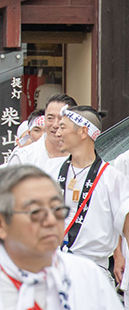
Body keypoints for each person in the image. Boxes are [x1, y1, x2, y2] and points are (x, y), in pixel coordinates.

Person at [0, 164, 121, 308]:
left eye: (57, 209)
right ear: (0, 223)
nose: (51, 220)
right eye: (36, 212)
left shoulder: (87, 277)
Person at [53, 105, 129, 273]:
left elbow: (126, 223)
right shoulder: (51, 170)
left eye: (63, 127)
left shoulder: (112, 178)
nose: (57, 133)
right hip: (54, 267)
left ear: (82, 132)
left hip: (92, 270)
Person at [7, 93, 76, 173]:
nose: (55, 125)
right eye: (50, 118)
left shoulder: (83, 156)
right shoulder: (24, 157)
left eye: (61, 118)